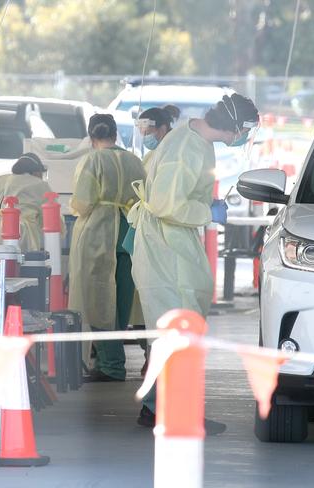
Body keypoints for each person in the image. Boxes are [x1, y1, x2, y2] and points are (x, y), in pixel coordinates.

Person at [128, 93, 259, 431]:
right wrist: (207, 212)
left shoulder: (193, 140)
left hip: (172, 244)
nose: (244, 138)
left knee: (172, 330)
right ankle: (174, 413)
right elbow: (166, 204)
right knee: (180, 329)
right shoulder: (187, 146)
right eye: (246, 131)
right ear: (234, 128)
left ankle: (158, 408)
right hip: (167, 249)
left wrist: (204, 204)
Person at [68, 114, 146, 382]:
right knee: (123, 300)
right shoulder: (134, 160)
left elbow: (83, 200)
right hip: (129, 232)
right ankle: (113, 361)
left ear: (91, 137)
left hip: (99, 233)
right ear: (115, 134)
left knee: (99, 299)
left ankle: (111, 365)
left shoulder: (92, 160)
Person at [138, 107, 173, 174]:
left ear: (162, 130)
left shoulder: (172, 154)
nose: (144, 138)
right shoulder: (151, 155)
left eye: (147, 133)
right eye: (142, 134)